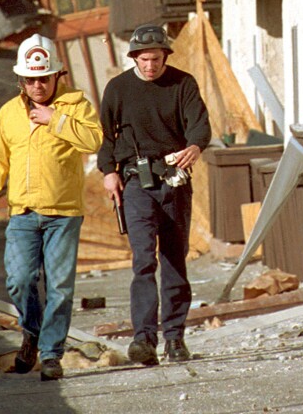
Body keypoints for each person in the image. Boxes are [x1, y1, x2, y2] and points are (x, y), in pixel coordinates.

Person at [0, 34, 103, 381]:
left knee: (60, 286)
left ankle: (50, 354)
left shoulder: (76, 105)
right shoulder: (9, 113)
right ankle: (32, 330)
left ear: (57, 75)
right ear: (20, 80)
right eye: (30, 79)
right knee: (19, 280)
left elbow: (95, 140)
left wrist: (55, 120)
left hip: (64, 213)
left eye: (43, 78)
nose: (37, 85)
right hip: (23, 214)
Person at [98, 23, 211, 366]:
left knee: (175, 259)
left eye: (156, 58)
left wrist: (194, 146)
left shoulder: (182, 84)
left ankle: (174, 339)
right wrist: (108, 173)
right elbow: (105, 137)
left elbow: (199, 125)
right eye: (144, 59)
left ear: (165, 56)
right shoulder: (117, 89)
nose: (150, 65)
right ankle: (143, 339)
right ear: (133, 57)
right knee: (143, 260)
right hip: (135, 183)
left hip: (173, 180)